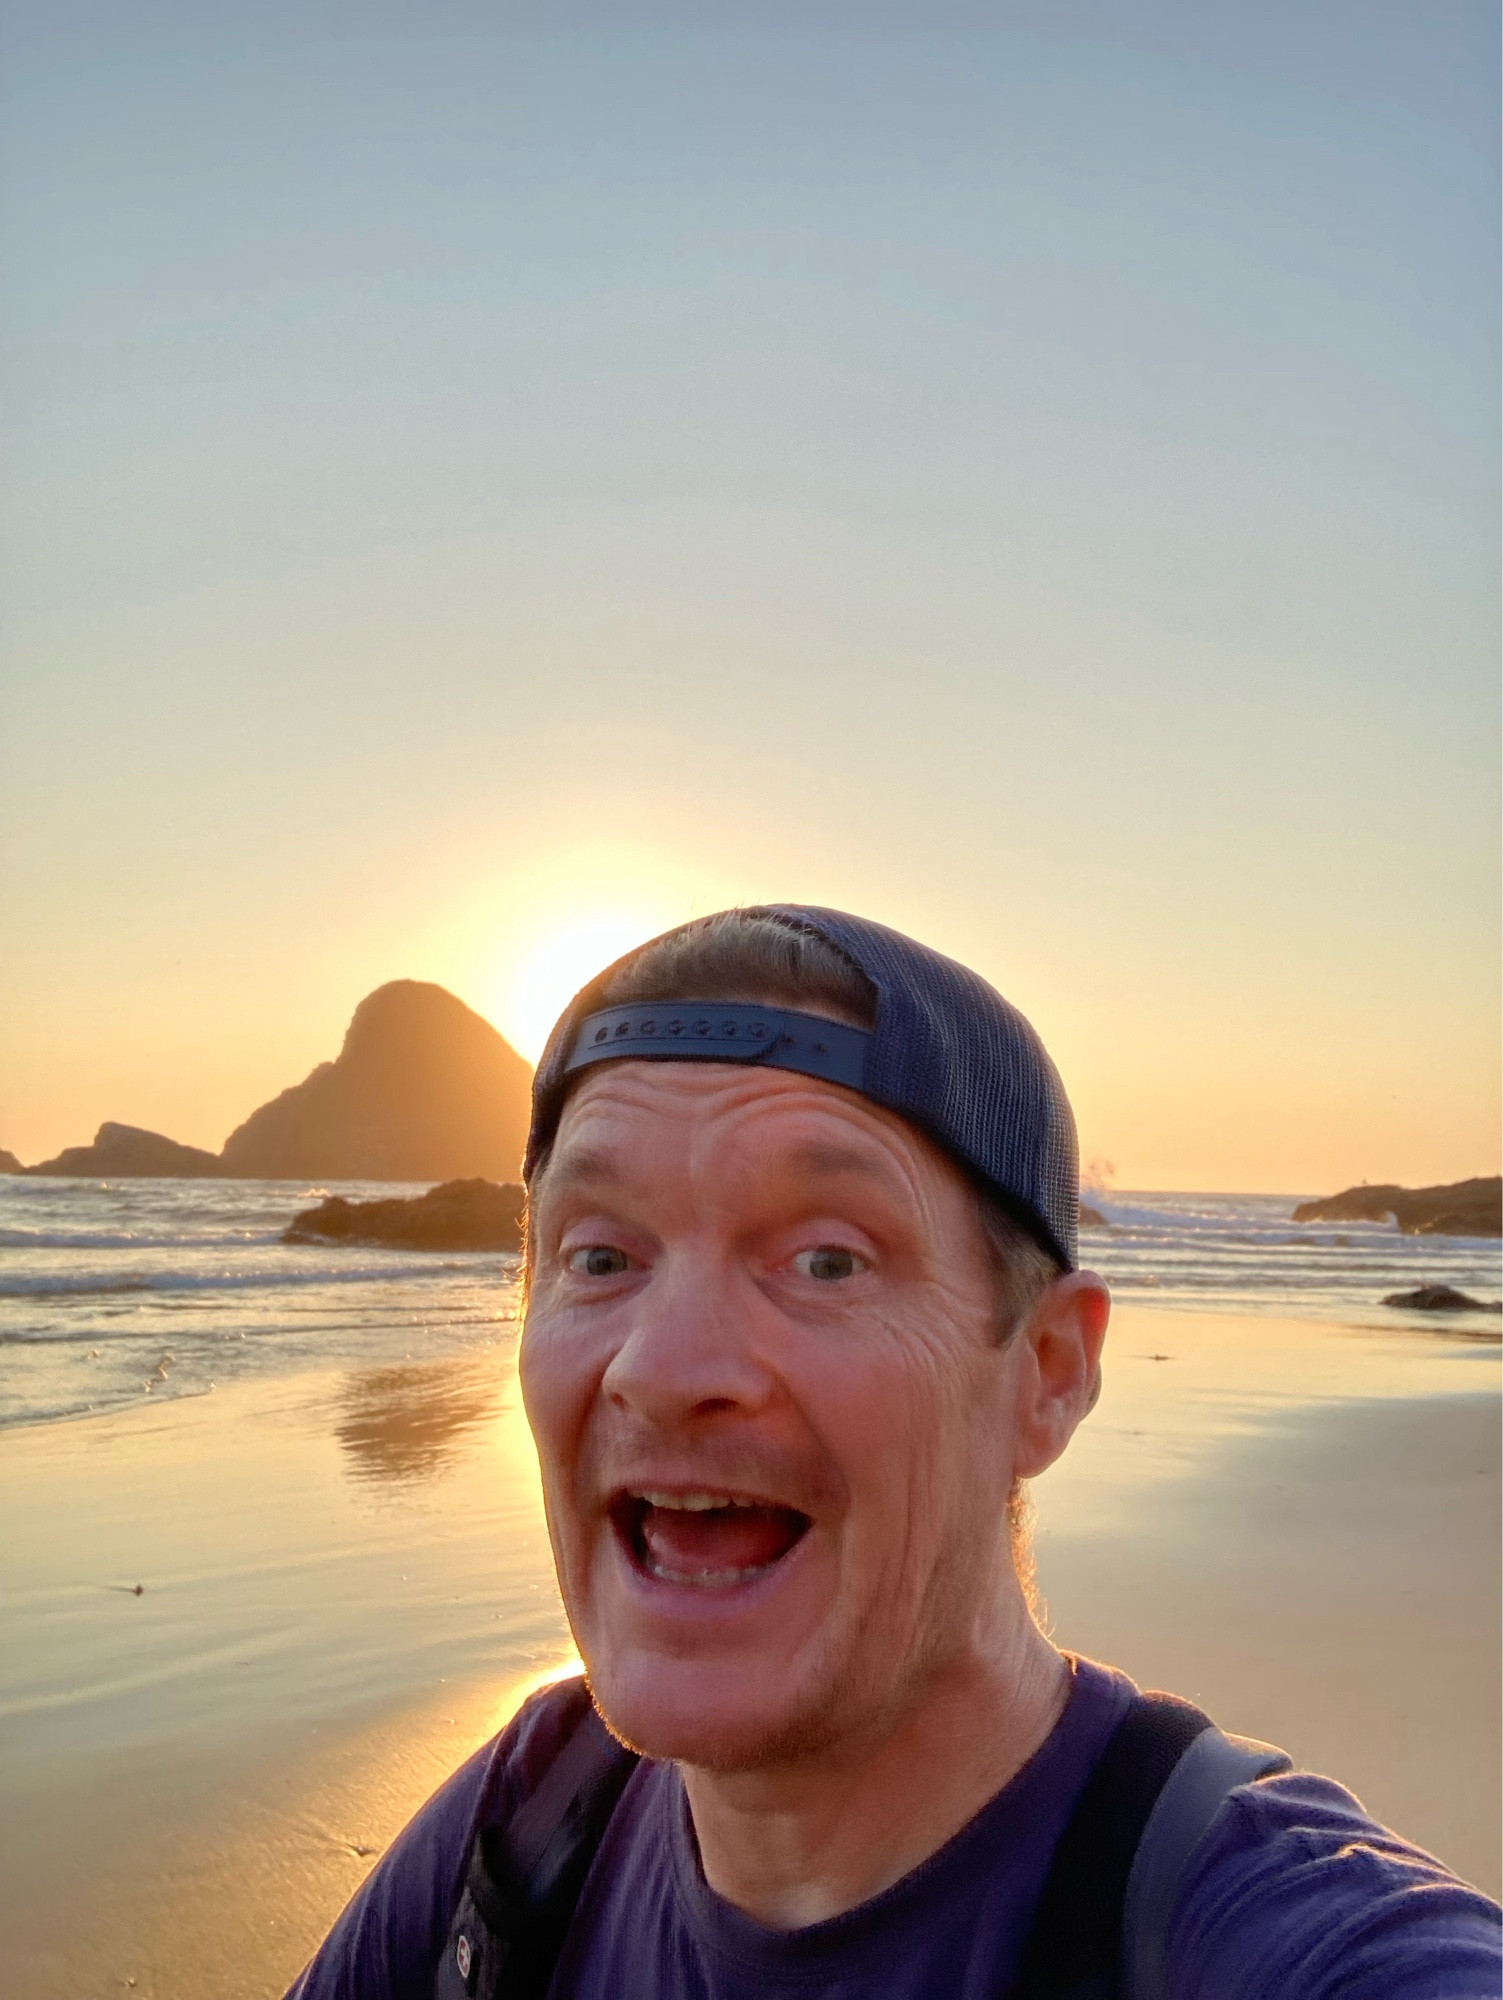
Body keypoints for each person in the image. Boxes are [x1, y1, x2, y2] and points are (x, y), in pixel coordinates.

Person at [286, 905, 1502, 1999]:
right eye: (600, 1256)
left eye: (826, 1258)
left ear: (1048, 1371)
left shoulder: (1260, 1938)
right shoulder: (529, 1821)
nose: (660, 1366)